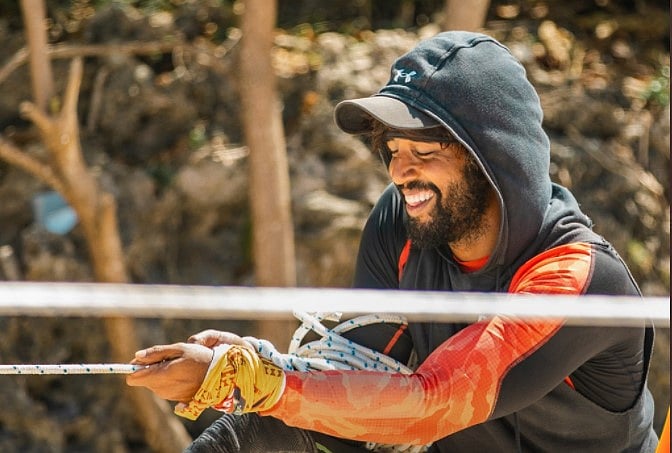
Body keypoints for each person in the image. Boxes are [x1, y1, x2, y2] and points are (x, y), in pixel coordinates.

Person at [126, 31, 658, 452]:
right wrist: (247, 369)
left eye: (423, 151)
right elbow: (359, 378)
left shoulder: (578, 278)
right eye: (393, 149)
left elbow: (437, 402)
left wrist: (262, 383)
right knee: (281, 426)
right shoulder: (402, 222)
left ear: (494, 160)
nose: (401, 172)